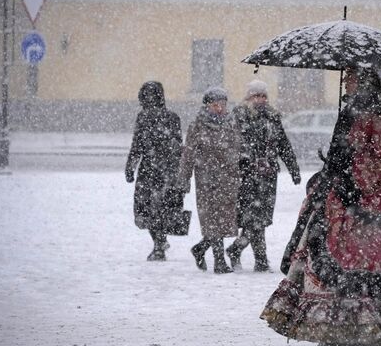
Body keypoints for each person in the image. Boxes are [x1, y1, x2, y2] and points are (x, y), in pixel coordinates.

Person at [260, 69, 381, 346]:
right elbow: (344, 152)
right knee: (328, 254)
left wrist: (354, 180)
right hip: (337, 193)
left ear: (368, 80)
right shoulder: (350, 111)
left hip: (367, 197)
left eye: (353, 76)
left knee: (365, 258)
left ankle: (373, 327)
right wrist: (333, 166)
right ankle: (335, 326)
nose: (346, 81)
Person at [226, 80, 301, 272]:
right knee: (253, 219)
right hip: (247, 176)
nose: (260, 99)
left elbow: (283, 145)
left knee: (261, 218)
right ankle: (255, 257)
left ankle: (251, 256)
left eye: (263, 96)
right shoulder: (239, 116)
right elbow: (232, 145)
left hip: (267, 176)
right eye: (256, 96)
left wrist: (293, 169)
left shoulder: (273, 117)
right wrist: (241, 161)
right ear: (248, 97)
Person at [177, 87, 240, 274]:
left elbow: (238, 147)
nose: (220, 108)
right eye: (215, 105)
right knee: (212, 220)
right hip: (207, 180)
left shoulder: (231, 123)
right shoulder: (198, 125)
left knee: (224, 222)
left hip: (228, 179)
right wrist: (184, 178)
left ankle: (200, 248)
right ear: (207, 106)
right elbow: (188, 154)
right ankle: (219, 262)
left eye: (223, 104)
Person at [125, 81, 183, 261]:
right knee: (160, 208)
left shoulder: (145, 118)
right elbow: (177, 146)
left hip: (151, 170)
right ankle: (160, 242)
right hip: (164, 170)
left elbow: (137, 146)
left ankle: (159, 243)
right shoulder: (171, 117)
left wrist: (131, 166)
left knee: (149, 209)